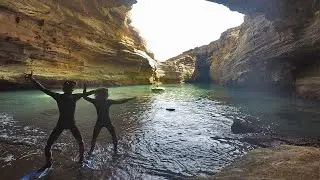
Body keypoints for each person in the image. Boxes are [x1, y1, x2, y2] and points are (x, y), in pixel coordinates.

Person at [25, 72, 85, 170]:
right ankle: (81, 161)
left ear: (64, 89)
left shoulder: (59, 97)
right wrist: (98, 90)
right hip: (71, 124)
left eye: (64, 87)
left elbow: (43, 89)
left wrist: (32, 79)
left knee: (48, 145)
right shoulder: (75, 97)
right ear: (72, 89)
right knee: (80, 143)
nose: (63, 88)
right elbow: (87, 94)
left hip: (61, 124)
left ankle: (49, 163)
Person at [83, 84, 135, 155]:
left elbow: (84, 97)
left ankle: (91, 151)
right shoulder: (108, 102)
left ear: (97, 95)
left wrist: (86, 88)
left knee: (94, 137)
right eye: (106, 94)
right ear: (105, 95)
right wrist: (130, 99)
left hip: (99, 123)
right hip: (107, 122)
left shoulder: (95, 101)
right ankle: (115, 151)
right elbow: (121, 101)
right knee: (113, 136)